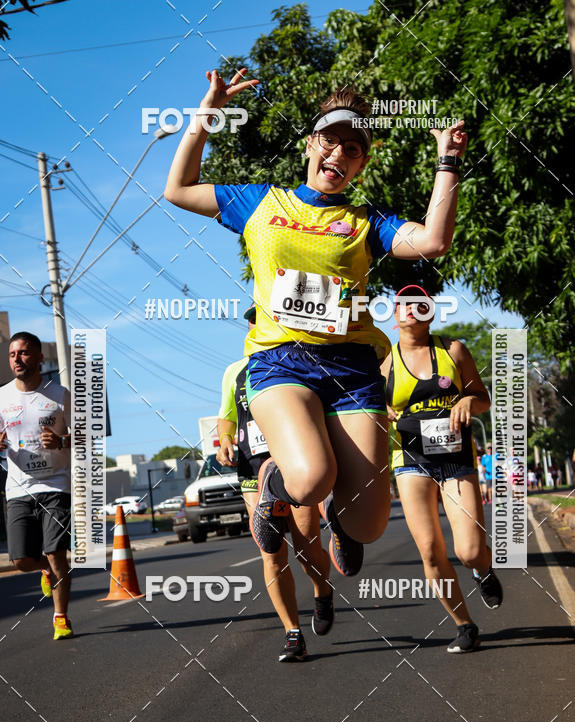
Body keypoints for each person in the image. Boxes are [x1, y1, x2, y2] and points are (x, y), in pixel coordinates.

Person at [165, 68, 468, 578]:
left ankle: (342, 526)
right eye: (331, 141)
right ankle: (274, 489)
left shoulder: (368, 221)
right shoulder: (260, 201)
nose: (339, 155)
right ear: (311, 143)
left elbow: (434, 242)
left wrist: (449, 162)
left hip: (352, 369)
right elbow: (178, 188)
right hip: (280, 361)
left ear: (362, 164)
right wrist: (208, 112)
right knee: (310, 478)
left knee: (370, 525)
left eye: (353, 150)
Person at [383, 295, 503, 653]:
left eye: (420, 304)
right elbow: (367, 407)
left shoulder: (454, 350)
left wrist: (469, 401)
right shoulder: (385, 362)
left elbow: (482, 397)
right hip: (409, 460)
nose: (412, 309)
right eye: (404, 303)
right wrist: (382, 409)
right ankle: (465, 625)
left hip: (456, 458)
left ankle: (482, 569)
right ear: (395, 314)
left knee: (467, 550)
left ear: (431, 314)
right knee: (432, 553)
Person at [216, 305, 332, 661]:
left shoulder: (299, 360)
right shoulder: (235, 372)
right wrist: (223, 441)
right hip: (254, 471)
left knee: (305, 546)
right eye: (251, 321)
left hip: (294, 466)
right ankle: (292, 633)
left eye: (262, 319)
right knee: (271, 552)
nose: (255, 325)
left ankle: (321, 591)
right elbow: (226, 417)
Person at [0, 333, 72, 639]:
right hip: (18, 487)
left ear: (40, 357)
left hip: (55, 485)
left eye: (25, 353)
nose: (18, 358)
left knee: (57, 552)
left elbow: (86, 438)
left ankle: (60, 618)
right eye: (13, 354)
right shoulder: (2, 397)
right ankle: (43, 568)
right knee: (22, 560)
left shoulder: (60, 394)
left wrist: (61, 440)